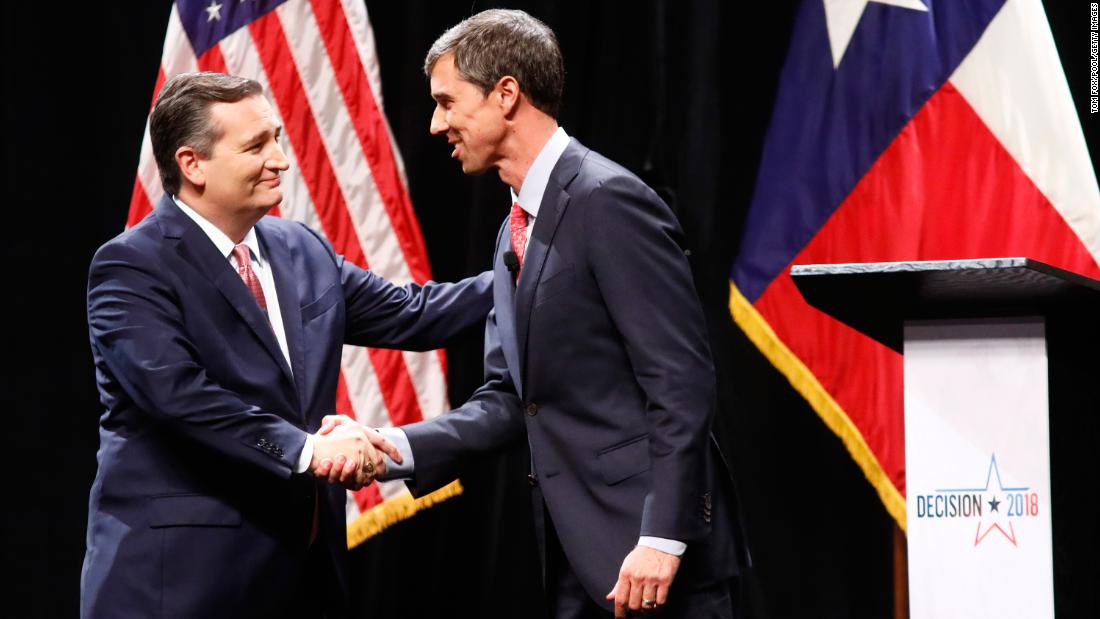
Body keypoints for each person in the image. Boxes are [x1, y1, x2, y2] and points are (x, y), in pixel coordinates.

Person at [321, 9, 741, 618]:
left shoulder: (607, 200)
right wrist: (389, 446)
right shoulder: (514, 230)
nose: (437, 123)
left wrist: (661, 538)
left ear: (506, 94)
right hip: (579, 560)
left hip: (653, 561)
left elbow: (680, 381)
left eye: (447, 101)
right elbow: (508, 403)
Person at [80, 71, 493, 618]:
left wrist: (533, 264)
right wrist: (307, 450)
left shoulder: (299, 247)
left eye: (276, 137)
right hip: (178, 584)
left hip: (302, 575)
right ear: (192, 164)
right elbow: (179, 396)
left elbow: (414, 315)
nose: (281, 159)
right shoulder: (132, 266)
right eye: (257, 145)